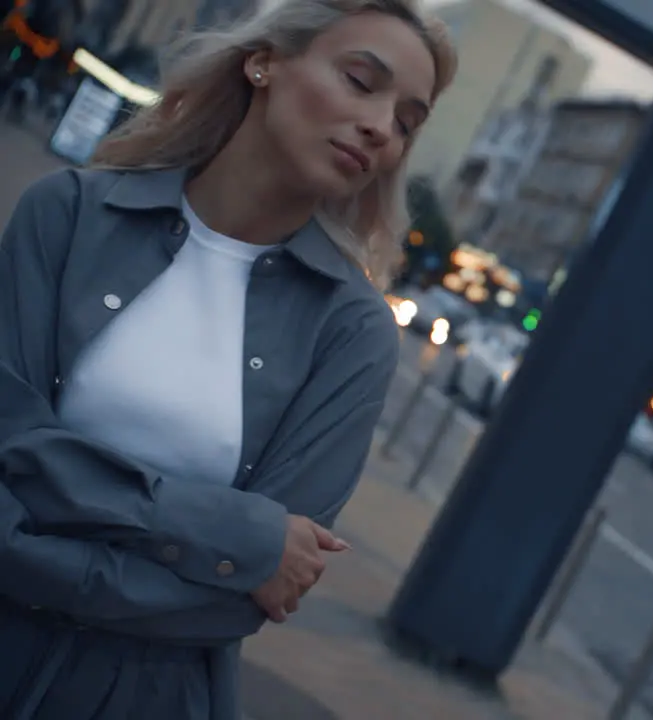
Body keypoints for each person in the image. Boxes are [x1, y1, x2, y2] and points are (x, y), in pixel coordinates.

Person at [0, 1, 456, 718]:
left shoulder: (354, 334)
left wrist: (41, 550)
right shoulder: (66, 216)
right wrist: (234, 531)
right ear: (264, 61)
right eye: (361, 81)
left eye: (406, 121)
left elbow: (239, 602)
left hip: (150, 695)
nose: (380, 127)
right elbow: (8, 441)